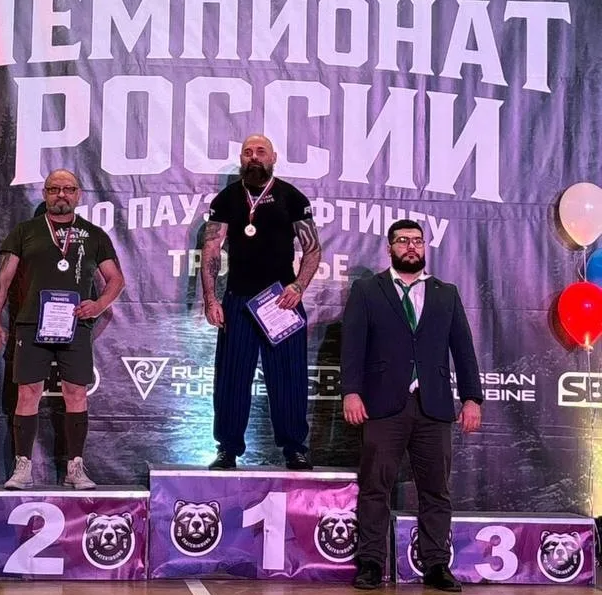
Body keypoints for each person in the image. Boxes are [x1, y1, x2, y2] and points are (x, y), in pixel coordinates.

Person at [340, 219, 482, 592]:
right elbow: (352, 345)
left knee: (436, 490)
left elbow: (463, 350)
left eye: (417, 240)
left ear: (424, 247)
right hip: (382, 404)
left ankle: (436, 565)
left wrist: (472, 397)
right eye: (403, 241)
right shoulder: (367, 290)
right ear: (390, 247)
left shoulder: (445, 293)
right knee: (375, 486)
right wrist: (351, 391)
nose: (411, 246)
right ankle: (371, 563)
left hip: (433, 405)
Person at [0, 169, 125, 490]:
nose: (61, 194)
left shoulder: (93, 235)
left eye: (68, 189)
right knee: (27, 393)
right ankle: (23, 467)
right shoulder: (25, 231)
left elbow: (116, 280)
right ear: (45, 194)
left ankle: (75, 467)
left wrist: (98, 304)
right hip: (32, 325)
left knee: (76, 393)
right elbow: (2, 280)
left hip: (75, 325)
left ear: (79, 194)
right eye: (54, 189)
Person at [201, 134, 321, 470]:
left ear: (273, 157)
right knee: (232, 378)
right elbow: (211, 250)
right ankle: (227, 449)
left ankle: (294, 448)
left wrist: (298, 286)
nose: (254, 157)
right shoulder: (226, 199)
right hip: (238, 300)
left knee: (289, 378)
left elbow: (313, 249)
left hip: (281, 300)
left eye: (260, 152)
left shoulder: (291, 197)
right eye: (248, 152)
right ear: (241, 158)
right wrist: (210, 299)